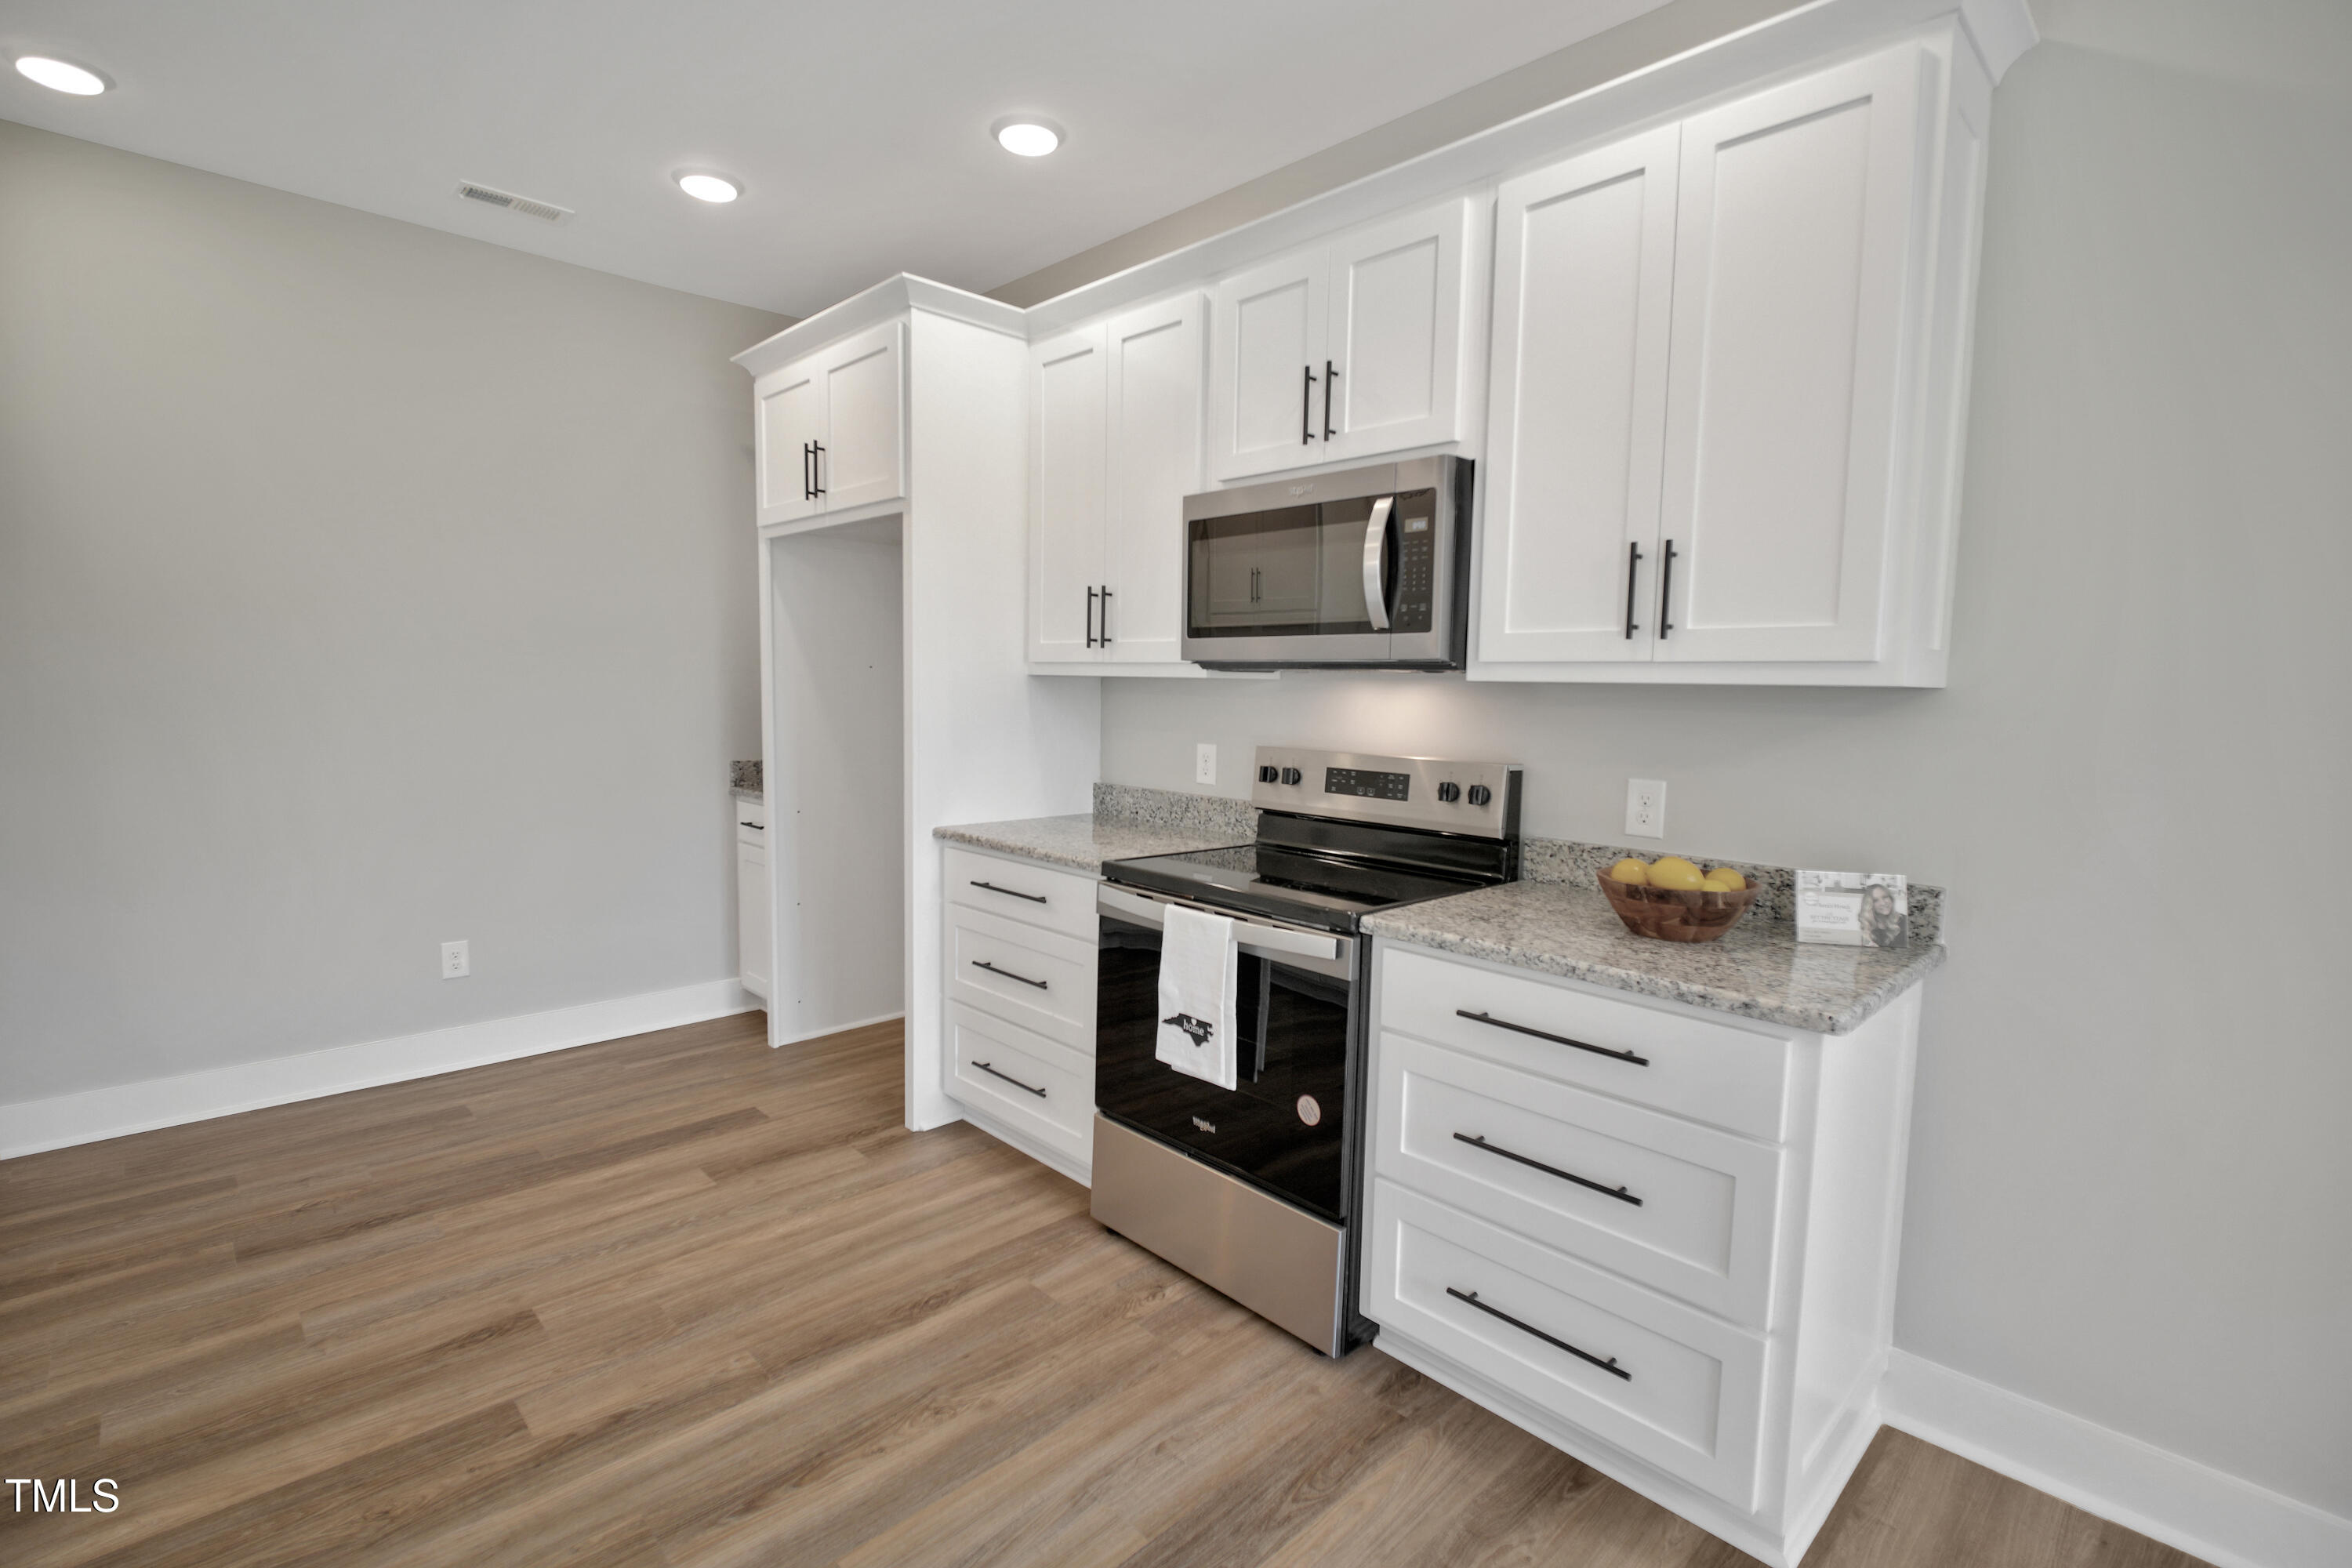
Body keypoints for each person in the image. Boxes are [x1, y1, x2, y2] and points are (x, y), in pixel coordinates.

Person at [1863, 883, 1907, 949]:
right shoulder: (1869, 926)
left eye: (1885, 897)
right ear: (1870, 905)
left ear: (1891, 899)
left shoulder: (1905, 921)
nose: (1883, 903)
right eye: (1876, 900)